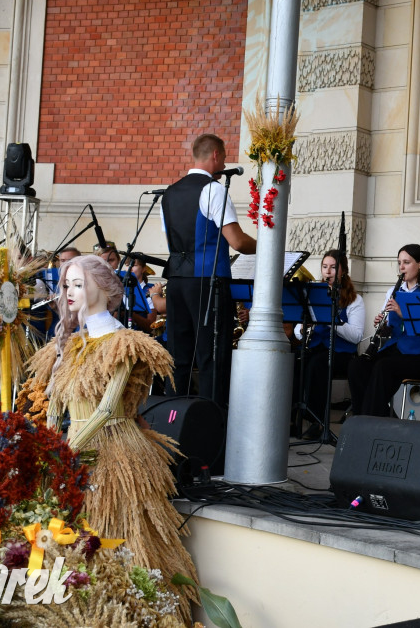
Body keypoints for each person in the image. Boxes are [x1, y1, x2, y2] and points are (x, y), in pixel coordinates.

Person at [22, 255, 197, 622]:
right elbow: (55, 404)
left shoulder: (124, 342)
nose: (68, 292)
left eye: (77, 284)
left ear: (101, 288)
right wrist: (50, 446)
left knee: (118, 534)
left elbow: (105, 410)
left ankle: (135, 614)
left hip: (113, 448)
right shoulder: (69, 343)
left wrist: (64, 451)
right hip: (71, 449)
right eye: (66, 284)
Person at [161, 133, 257, 408]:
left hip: (176, 281)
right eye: (224, 157)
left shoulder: (169, 193)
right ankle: (210, 425)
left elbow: (172, 239)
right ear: (216, 155)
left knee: (178, 356)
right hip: (207, 283)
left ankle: (173, 423)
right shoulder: (214, 190)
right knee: (212, 356)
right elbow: (237, 241)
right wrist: (266, 247)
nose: (224, 161)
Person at [347, 244, 420, 417]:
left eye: (406, 262)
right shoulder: (394, 291)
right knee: (358, 366)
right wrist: (382, 324)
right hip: (396, 349)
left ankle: (373, 420)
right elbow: (389, 326)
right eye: (399, 263)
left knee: (383, 367)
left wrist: (401, 312)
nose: (402, 267)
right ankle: (361, 417)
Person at [290, 250, 365, 438]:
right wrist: (304, 329)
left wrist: (331, 322)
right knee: (295, 361)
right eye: (325, 267)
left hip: (342, 353)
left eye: (333, 267)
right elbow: (299, 330)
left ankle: (316, 422)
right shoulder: (313, 294)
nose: (328, 272)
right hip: (315, 346)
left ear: (343, 271)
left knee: (318, 365)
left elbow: (356, 336)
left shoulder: (355, 300)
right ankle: (291, 419)